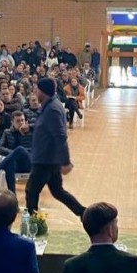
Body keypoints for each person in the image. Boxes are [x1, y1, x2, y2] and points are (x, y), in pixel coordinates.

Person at [25, 77, 86, 218]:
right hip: (49, 158)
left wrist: (66, 162)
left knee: (31, 191)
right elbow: (45, 126)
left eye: (37, 90)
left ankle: (32, 223)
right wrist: (30, 127)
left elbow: (60, 136)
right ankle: (84, 213)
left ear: (43, 91)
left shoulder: (52, 109)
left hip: (45, 159)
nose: (35, 93)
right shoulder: (50, 105)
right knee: (58, 192)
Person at [0, 110, 33, 193]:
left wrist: (19, 153)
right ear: (12, 122)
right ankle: (12, 196)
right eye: (18, 121)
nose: (21, 123)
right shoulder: (7, 132)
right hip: (15, 164)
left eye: (22, 120)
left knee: (20, 149)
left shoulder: (30, 133)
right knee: (9, 164)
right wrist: (14, 154)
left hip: (29, 163)